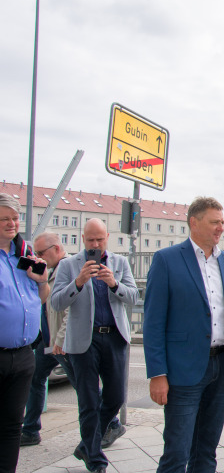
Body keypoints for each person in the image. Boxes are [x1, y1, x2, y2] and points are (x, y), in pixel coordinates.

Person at [144, 197, 224, 472]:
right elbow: (153, 323)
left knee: (207, 451)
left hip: (221, 366)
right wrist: (157, 374)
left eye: (222, 222)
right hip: (183, 371)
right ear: (194, 222)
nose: (221, 228)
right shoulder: (166, 260)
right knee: (177, 453)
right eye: (215, 222)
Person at [51, 218, 139, 473]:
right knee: (88, 401)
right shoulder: (69, 265)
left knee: (115, 397)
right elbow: (56, 303)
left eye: (100, 239)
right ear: (83, 239)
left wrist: (113, 283)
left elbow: (133, 296)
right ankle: (96, 458)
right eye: (90, 240)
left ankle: (86, 445)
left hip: (114, 337)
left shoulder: (120, 263)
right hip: (83, 341)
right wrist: (78, 282)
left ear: (107, 238)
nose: (95, 244)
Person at [21, 232, 124, 448]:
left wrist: (61, 339)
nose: (38, 256)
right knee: (36, 379)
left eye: (41, 252)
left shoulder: (70, 267)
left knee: (85, 389)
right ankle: (31, 429)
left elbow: (73, 310)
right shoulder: (48, 270)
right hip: (47, 340)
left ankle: (111, 424)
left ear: (56, 249)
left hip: (64, 342)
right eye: (35, 252)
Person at [0, 193, 48, 472]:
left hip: (23, 356)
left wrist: (42, 281)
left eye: (15, 218)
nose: (11, 223)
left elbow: (41, 297)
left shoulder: (26, 254)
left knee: (11, 427)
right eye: (4, 219)